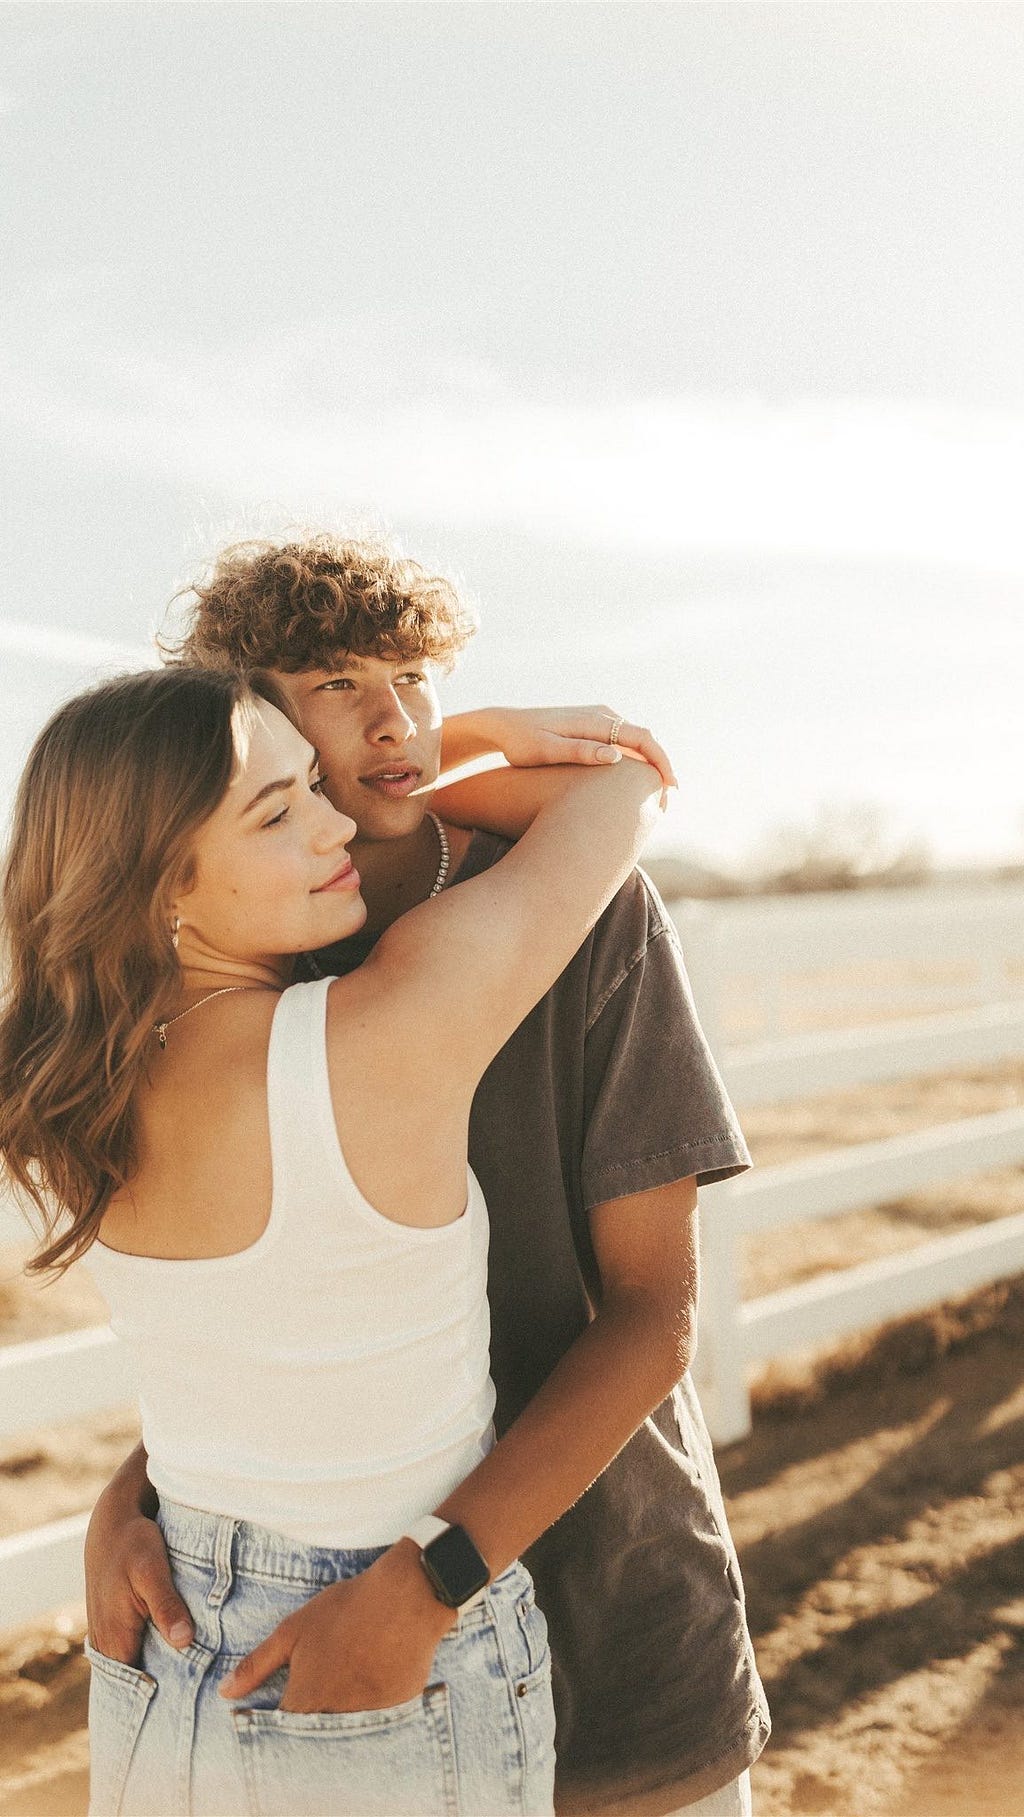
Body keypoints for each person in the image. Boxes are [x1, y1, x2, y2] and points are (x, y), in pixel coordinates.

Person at [84, 536, 770, 1815]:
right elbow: (271, 1304)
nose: (394, 717)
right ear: (239, 726)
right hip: (325, 1639)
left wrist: (430, 1578)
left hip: (597, 1593)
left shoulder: (583, 908)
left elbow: (653, 1314)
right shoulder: (245, 958)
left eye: (413, 676)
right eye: (336, 683)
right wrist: (132, 1499)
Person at [0, 663, 669, 1817]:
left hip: (165, 1623)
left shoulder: (78, 1100)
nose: (336, 820)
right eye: (278, 810)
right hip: (378, 1627)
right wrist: (450, 738)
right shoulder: (378, 1034)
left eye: (318, 784)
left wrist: (123, 1500)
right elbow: (623, 790)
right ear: (163, 886)